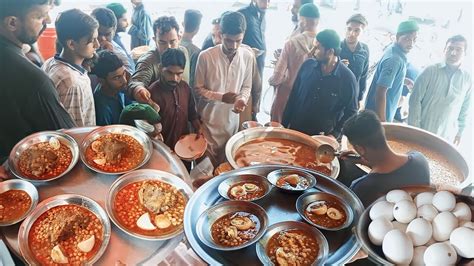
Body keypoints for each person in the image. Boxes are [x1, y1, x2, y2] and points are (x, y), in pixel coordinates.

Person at [0, 0, 74, 163]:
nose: (48, 20)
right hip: (25, 171)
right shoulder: (34, 81)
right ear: (12, 23)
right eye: (39, 16)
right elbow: (66, 141)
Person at [194, 11, 254, 164]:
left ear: (244, 35)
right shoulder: (206, 56)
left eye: (238, 41)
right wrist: (221, 97)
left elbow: (246, 86)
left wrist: (242, 99)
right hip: (207, 124)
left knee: (225, 169)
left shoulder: (248, 56)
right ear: (220, 34)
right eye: (228, 40)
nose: (233, 46)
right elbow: (197, 90)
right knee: (204, 171)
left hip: (231, 124)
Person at [342, 110, 430, 207]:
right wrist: (362, 160)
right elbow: (394, 170)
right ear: (383, 131)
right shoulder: (419, 159)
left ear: (360, 149)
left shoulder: (361, 188)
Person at [282, 29, 358, 138]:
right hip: (295, 130)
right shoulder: (307, 66)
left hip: (322, 139)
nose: (312, 51)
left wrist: (335, 134)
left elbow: (352, 111)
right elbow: (293, 96)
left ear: (330, 52)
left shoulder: (347, 79)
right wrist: (284, 126)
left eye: (317, 48)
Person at [408, 35, 472, 145]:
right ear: (444, 50)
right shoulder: (430, 71)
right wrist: (415, 130)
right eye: (450, 48)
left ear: (465, 53)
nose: (453, 53)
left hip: (446, 137)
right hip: (422, 131)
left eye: (458, 50)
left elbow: (464, 109)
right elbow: (415, 101)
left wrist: (460, 132)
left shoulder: (467, 79)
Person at [42, 9, 99, 127]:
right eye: (92, 40)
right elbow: (74, 130)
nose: (97, 45)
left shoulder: (50, 62)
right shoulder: (72, 83)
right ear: (71, 44)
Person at [269, 3, 319, 123]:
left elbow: (277, 77)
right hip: (308, 97)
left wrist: (271, 81)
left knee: (278, 130)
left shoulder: (291, 43)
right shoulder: (322, 44)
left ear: (302, 20)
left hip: (287, 94)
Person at [364, 20, 419, 122]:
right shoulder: (394, 60)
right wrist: (383, 123)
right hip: (377, 118)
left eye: (414, 39)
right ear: (397, 37)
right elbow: (380, 92)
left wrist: (403, 80)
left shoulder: (395, 52)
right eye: (407, 38)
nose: (411, 43)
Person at [128, 16, 191, 103]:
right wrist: (139, 89)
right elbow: (136, 82)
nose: (168, 47)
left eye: (172, 42)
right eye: (162, 42)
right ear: (155, 40)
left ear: (179, 38)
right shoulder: (148, 60)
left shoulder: (184, 52)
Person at [148, 48, 201, 149]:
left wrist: (198, 127)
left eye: (179, 74)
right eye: (169, 73)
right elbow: (149, 128)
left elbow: (192, 114)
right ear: (160, 68)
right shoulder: (151, 94)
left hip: (184, 148)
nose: (174, 78)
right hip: (162, 150)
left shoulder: (185, 88)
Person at [91, 50, 132, 126]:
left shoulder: (118, 89)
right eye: (117, 78)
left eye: (124, 74)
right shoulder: (102, 109)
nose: (124, 80)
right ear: (101, 81)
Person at [91, 7, 134, 74]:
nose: (103, 38)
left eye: (107, 34)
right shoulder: (83, 48)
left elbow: (130, 76)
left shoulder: (117, 52)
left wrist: (112, 57)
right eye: (99, 34)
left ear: (114, 30)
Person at [340, 13, 369, 107]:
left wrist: (359, 98)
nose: (351, 33)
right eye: (349, 29)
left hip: (353, 99)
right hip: (336, 97)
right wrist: (337, 65)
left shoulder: (365, 50)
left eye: (357, 30)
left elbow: (363, 76)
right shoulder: (337, 47)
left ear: (363, 32)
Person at [239, 0, 270, 75]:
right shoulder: (242, 14)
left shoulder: (261, 15)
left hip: (260, 60)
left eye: (269, 0)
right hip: (247, 60)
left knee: (258, 85)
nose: (266, 3)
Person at [182, 9, 203, 88]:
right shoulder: (197, 52)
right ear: (197, 29)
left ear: (183, 24)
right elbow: (193, 80)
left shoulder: (173, 43)